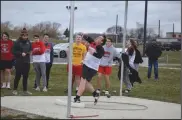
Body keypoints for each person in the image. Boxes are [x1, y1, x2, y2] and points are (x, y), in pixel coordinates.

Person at [74, 35, 106, 104]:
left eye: (99, 39)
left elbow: (100, 55)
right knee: (85, 82)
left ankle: (77, 98)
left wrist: (93, 53)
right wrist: (84, 36)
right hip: (86, 64)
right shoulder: (93, 43)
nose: (97, 39)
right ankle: (95, 94)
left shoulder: (100, 48)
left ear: (102, 42)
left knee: (83, 81)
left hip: (92, 68)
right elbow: (89, 38)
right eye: (97, 37)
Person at [12, 28, 32, 95]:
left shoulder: (29, 42)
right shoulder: (17, 42)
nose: (25, 37)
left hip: (27, 61)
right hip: (19, 61)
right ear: (21, 35)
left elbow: (30, 50)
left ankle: (25, 90)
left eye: (26, 35)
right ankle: (15, 89)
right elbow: (13, 51)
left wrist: (29, 52)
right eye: (23, 35)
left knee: (25, 76)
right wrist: (21, 53)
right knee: (18, 76)